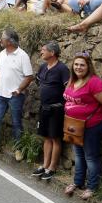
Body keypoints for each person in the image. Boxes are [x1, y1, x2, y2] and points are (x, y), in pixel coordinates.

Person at [0, 29, 33, 160]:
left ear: (9, 41)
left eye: (2, 38)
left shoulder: (22, 55)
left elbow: (29, 76)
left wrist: (19, 89)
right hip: (0, 94)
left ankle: (18, 149)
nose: (0, 40)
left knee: (16, 123)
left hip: (15, 96)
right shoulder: (2, 53)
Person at [63, 52, 102, 200]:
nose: (78, 67)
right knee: (78, 155)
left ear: (88, 66)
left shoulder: (94, 82)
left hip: (91, 126)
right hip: (74, 125)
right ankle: (77, 182)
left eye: (82, 65)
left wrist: (91, 116)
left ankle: (92, 187)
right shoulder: (72, 80)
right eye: (76, 64)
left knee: (90, 157)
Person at [32, 42, 69, 181]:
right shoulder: (42, 67)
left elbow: (68, 88)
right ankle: (44, 165)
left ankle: (52, 167)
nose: (41, 52)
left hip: (57, 109)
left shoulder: (62, 69)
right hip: (44, 107)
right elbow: (38, 81)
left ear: (52, 53)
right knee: (46, 137)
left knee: (55, 138)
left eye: (43, 50)